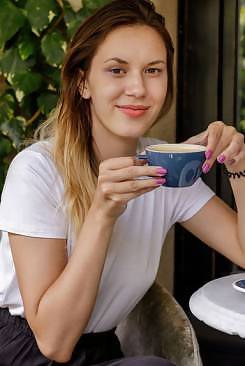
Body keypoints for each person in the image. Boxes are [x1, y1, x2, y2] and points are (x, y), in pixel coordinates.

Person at [0, 0, 245, 364]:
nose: (138, 88)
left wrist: (238, 168)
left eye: (153, 70)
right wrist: (102, 214)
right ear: (83, 83)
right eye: (117, 70)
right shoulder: (37, 171)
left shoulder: (166, 169)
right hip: (25, 351)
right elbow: (53, 342)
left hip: (101, 351)